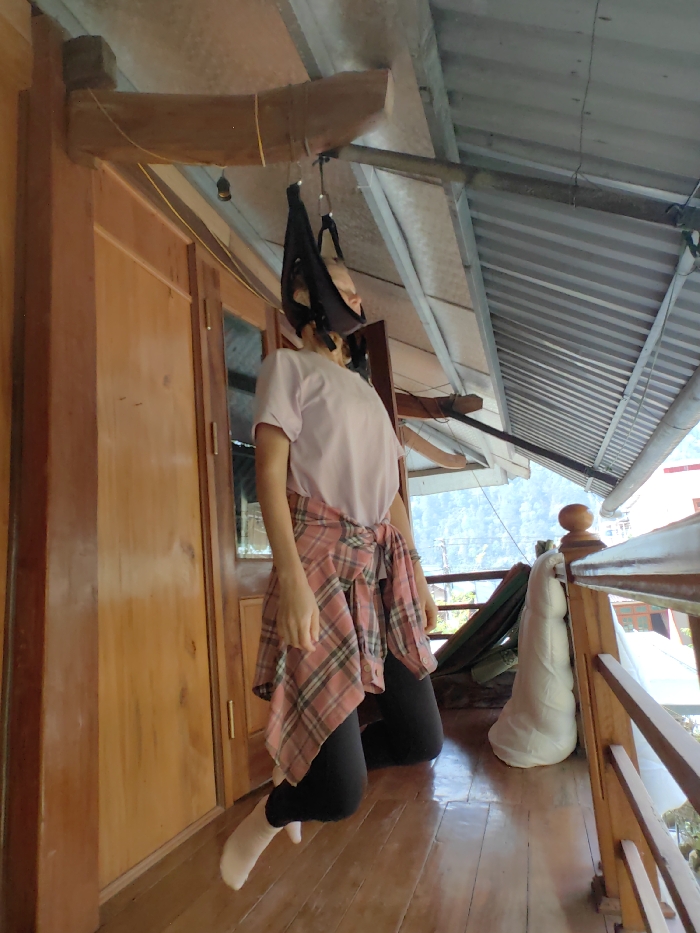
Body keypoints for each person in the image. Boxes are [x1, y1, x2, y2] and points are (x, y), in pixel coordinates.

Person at [220, 186, 443, 891]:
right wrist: (289, 578)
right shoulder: (287, 366)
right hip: (318, 563)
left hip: (382, 568)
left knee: (421, 737)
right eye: (339, 285)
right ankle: (275, 811)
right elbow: (270, 474)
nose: (352, 296)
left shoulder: (368, 392)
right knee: (342, 797)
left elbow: (393, 499)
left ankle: (308, 774)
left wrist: (420, 577)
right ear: (305, 294)